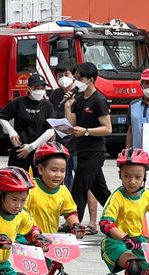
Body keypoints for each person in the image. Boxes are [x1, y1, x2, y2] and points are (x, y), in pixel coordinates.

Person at [64, 62, 112, 233]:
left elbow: (107, 128)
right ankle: (120, 217)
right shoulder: (79, 99)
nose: (76, 81)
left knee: (79, 188)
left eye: (80, 78)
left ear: (90, 80)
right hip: (82, 149)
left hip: (95, 151)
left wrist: (85, 131)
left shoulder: (99, 100)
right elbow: (72, 124)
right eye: (75, 78)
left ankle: (74, 224)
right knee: (100, 190)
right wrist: (68, 107)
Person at [0, 74, 55, 175]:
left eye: (42, 87)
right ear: (29, 88)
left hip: (39, 150)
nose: (40, 90)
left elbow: (50, 131)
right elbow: (1, 116)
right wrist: (11, 131)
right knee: (16, 179)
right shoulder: (19, 102)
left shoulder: (47, 106)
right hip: (20, 149)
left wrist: (31, 147)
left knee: (40, 181)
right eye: (37, 88)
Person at [26, 142, 84, 236]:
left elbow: (69, 212)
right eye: (54, 170)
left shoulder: (63, 191)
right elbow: (20, 214)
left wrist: (75, 225)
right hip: (29, 239)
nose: (58, 175)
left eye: (62, 171)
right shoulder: (30, 188)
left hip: (50, 239)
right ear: (40, 169)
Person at [48, 62, 79, 188]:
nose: (63, 78)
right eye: (60, 75)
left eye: (66, 74)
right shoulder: (55, 94)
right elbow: (51, 116)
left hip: (76, 145)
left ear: (74, 76)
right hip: (60, 144)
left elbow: (73, 123)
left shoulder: (79, 94)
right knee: (64, 181)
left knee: (80, 180)